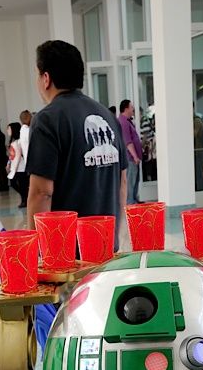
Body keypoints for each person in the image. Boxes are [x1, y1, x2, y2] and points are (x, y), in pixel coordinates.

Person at [26, 39, 127, 239]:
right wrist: (114, 236)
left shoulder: (47, 120)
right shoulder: (108, 116)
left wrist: (35, 246)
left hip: (67, 248)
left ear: (46, 78)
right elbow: (122, 182)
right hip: (105, 242)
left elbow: (41, 192)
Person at [118, 99, 143, 204]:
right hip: (130, 158)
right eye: (131, 107)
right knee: (130, 181)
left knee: (134, 180)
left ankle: (134, 200)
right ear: (126, 108)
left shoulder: (127, 121)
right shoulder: (123, 122)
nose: (133, 109)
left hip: (132, 158)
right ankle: (130, 203)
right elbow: (128, 142)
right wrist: (135, 156)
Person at [6, 122, 26, 206]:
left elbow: (18, 155)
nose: (7, 130)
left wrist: (11, 167)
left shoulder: (20, 141)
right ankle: (24, 199)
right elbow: (11, 156)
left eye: (8, 129)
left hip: (21, 167)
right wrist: (8, 164)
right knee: (15, 184)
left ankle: (24, 200)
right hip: (16, 167)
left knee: (21, 185)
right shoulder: (13, 141)